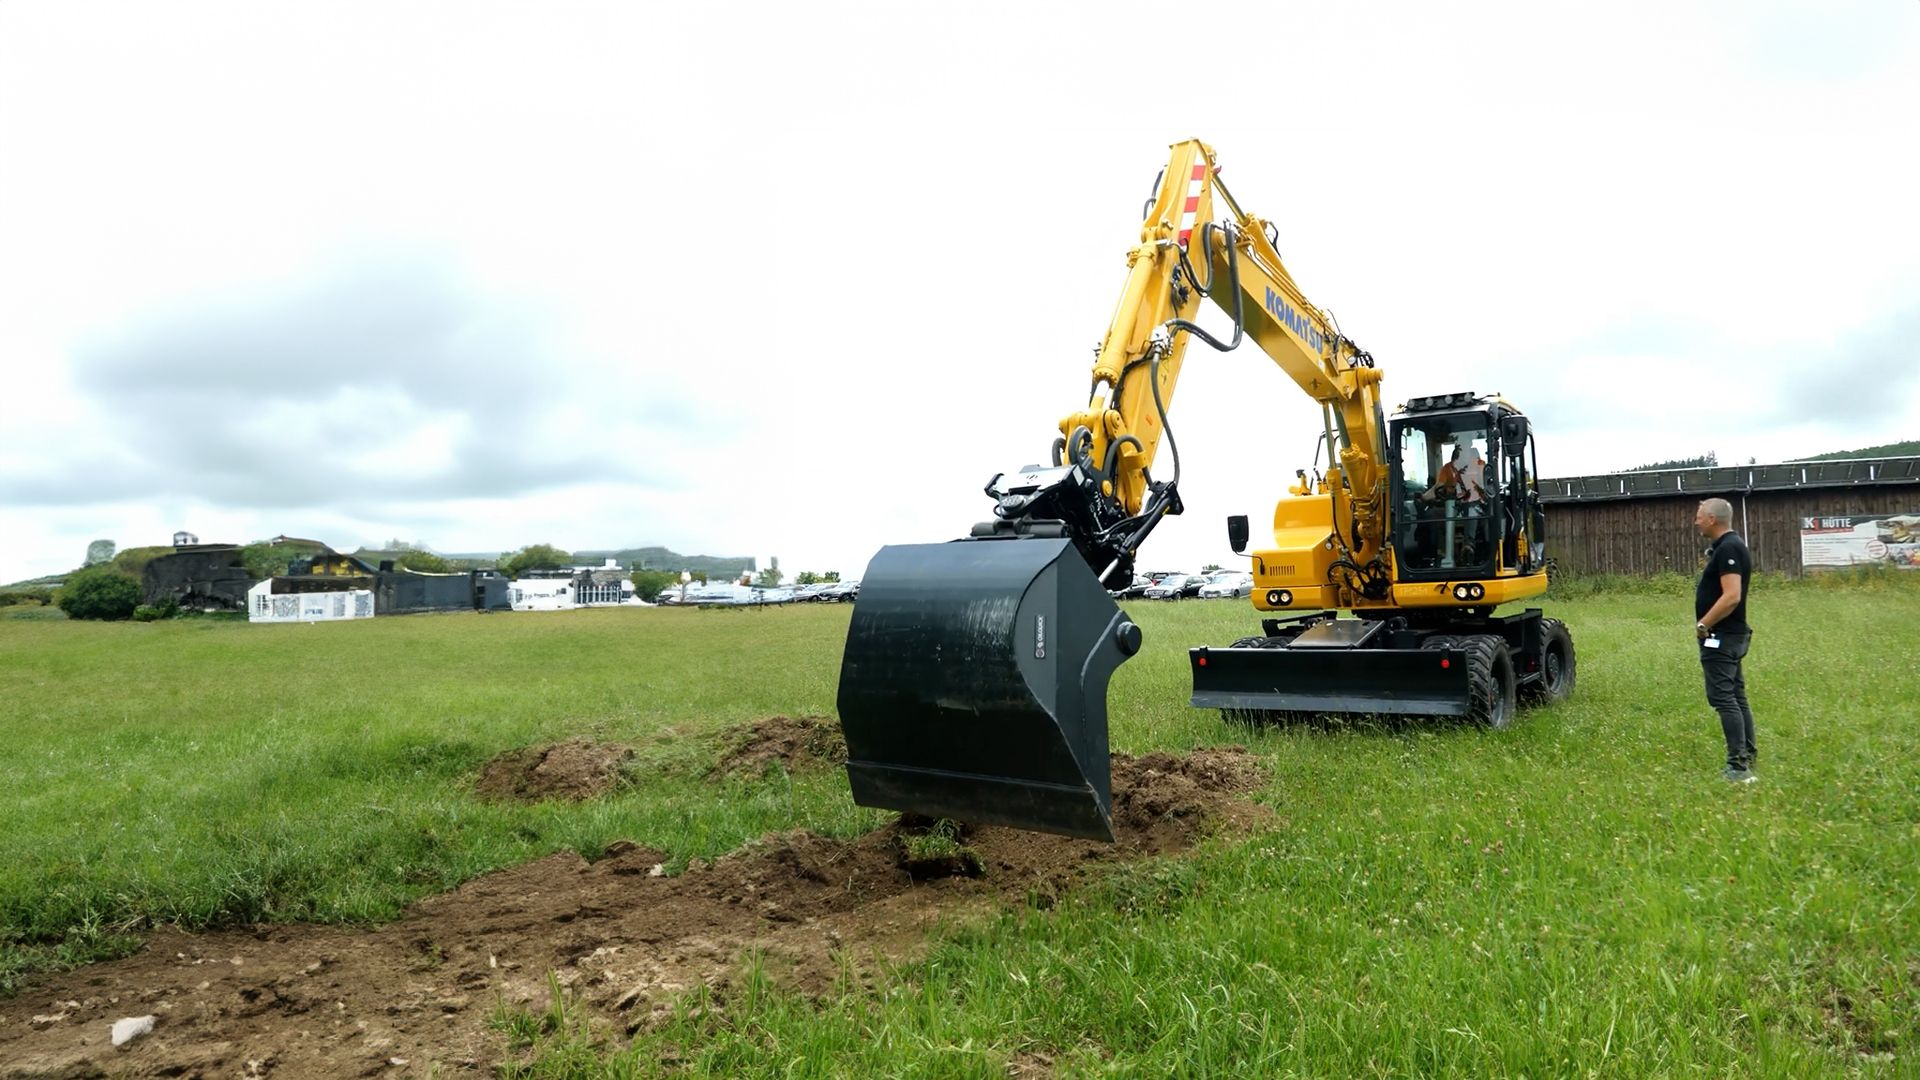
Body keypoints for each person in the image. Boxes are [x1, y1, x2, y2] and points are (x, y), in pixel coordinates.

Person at [1694, 497, 1757, 782]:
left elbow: (1732, 596)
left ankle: (1738, 768)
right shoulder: (1727, 546)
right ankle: (1748, 757)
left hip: (1722, 635)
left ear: (1711, 519)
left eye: (1699, 516)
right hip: (1732, 634)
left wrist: (1704, 623)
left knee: (1723, 698)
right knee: (1736, 696)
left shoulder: (1729, 547)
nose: (1695, 521)